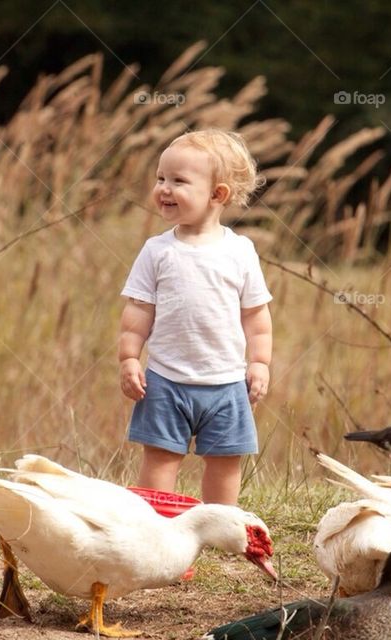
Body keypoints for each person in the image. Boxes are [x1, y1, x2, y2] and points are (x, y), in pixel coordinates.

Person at [118, 129, 272, 505]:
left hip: (226, 384)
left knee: (225, 463)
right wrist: (128, 357)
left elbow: (256, 315)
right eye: (160, 178)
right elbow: (138, 309)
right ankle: (155, 527)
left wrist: (260, 363)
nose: (164, 189)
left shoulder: (240, 251)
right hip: (166, 380)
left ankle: (220, 526)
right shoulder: (157, 251)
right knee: (160, 458)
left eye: (178, 181)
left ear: (217, 194)